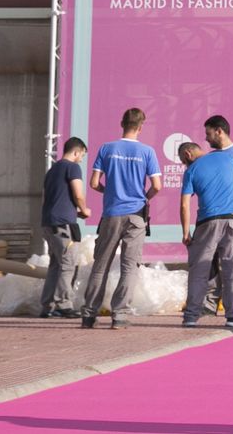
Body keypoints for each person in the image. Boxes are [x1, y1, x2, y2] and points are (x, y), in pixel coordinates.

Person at [80, 107, 163, 329]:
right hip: (136, 215)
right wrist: (144, 198)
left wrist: (109, 192)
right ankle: (120, 315)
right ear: (141, 126)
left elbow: (94, 183)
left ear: (122, 123)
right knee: (129, 267)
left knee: (101, 265)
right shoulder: (147, 152)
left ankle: (89, 314)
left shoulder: (106, 149)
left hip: (111, 214)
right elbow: (157, 185)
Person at [179, 137, 233, 329]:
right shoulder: (228, 158)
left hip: (206, 223)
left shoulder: (191, 170)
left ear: (187, 154)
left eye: (183, 161)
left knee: (199, 270)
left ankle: (191, 316)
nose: (184, 164)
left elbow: (185, 204)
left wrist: (186, 233)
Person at [39, 138, 90, 319]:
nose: (81, 159)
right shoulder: (72, 167)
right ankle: (64, 304)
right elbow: (78, 193)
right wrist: (84, 210)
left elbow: (49, 199)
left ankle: (48, 306)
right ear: (76, 152)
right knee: (68, 264)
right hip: (63, 225)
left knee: (56, 264)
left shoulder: (52, 170)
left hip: (48, 223)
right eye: (82, 155)